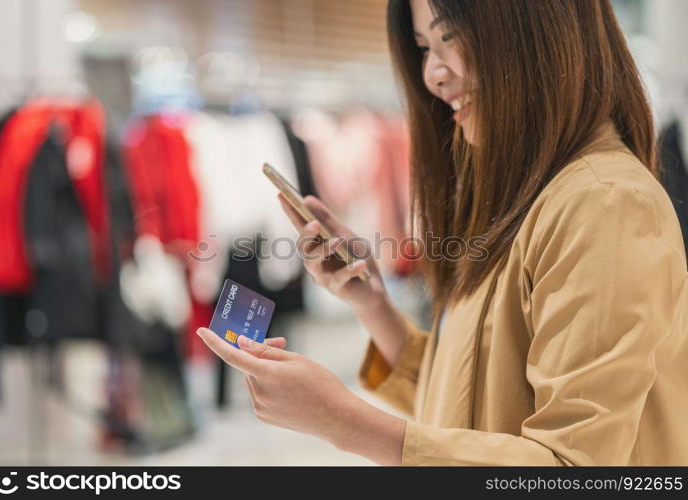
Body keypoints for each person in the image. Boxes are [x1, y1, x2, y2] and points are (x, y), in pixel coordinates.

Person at [197, 0, 688, 465]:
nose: (433, 74)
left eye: (449, 37)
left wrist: (342, 420)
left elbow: (570, 465)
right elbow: (472, 404)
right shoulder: (527, 194)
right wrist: (374, 306)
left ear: (537, 31)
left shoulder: (605, 203)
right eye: (424, 48)